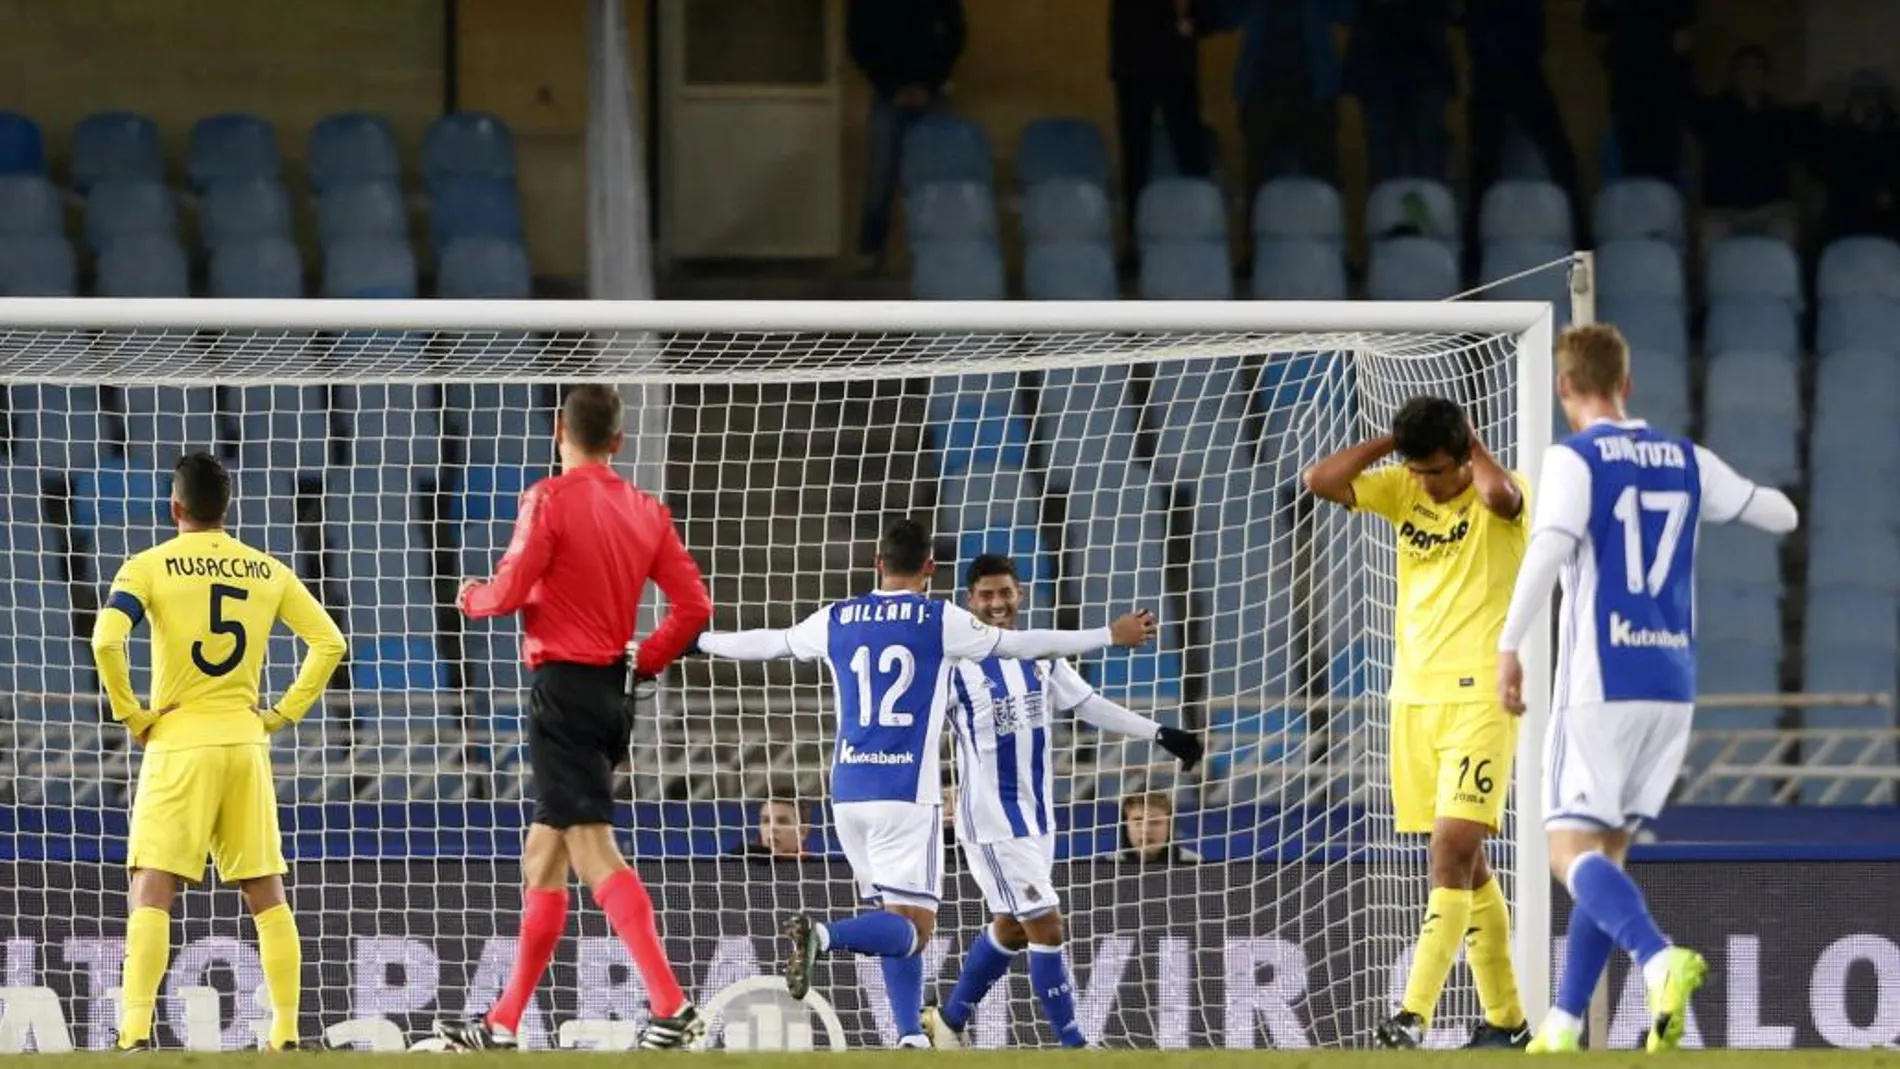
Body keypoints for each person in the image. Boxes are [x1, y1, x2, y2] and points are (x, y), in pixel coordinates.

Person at [695, 518, 1157, 1049]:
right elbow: (1023, 642)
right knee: (913, 928)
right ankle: (824, 935)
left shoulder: (838, 616)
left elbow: (769, 642)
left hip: (846, 791)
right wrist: (1107, 635)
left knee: (895, 915)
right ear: (930, 570)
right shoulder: (938, 618)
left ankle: (911, 1034)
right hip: (905, 793)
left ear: (878, 565)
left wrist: (701, 640)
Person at [1496, 325, 1799, 1053]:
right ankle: (1565, 1023)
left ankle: (1659, 958)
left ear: (1565, 387)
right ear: (1627, 384)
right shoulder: (1686, 459)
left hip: (1601, 681)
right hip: (1671, 683)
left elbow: (1550, 547)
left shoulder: (1574, 458)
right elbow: (1780, 513)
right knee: (1608, 856)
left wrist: (1509, 645)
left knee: (1568, 855)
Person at [435, 384, 714, 1052]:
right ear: (618, 441)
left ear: (559, 430)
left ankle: (672, 1004)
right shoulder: (648, 510)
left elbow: (508, 585)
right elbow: (694, 608)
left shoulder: (549, 498)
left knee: (590, 845)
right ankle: (502, 1022)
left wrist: (471, 597)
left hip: (561, 688)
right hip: (613, 693)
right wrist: (642, 661)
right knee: (543, 855)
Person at [91, 452, 348, 1051]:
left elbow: (107, 640)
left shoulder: (147, 567)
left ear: (175, 507)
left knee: (152, 885)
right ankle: (283, 1034)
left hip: (177, 745)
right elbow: (329, 641)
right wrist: (283, 713)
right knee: (266, 891)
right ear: (225, 509)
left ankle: (133, 1035)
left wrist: (133, 714)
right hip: (245, 743)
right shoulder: (266, 569)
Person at [1301, 397, 1531, 1049]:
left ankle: (1412, 1013)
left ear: (1463, 452)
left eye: (1437, 470)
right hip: (1414, 698)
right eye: (1419, 470)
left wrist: (1472, 446)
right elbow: (1319, 480)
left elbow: (1503, 497)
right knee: (1469, 861)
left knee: (1450, 848)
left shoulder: (1499, 493)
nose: (1427, 483)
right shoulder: (1404, 487)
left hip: (1480, 700)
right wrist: (1393, 444)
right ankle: (1507, 1022)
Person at [924, 554, 1204, 1049]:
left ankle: (948, 1022)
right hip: (990, 821)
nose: (996, 604)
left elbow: (1088, 704)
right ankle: (1076, 1046)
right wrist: (929, 792)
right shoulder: (953, 667)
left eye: (1005, 592)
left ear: (1020, 594)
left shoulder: (1042, 654)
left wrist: (1160, 732)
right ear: (970, 601)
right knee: (1046, 925)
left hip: (1037, 817)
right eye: (986, 595)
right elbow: (921, 737)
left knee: (1011, 927)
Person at [847, 0, 966, 271]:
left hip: (929, 93)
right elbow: (858, 43)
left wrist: (930, 84)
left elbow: (955, 33)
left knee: (938, 179)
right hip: (890, 96)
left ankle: (938, 255)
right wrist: (892, 88)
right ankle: (870, 253)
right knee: (881, 177)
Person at [1461, 0, 1584, 262]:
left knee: (1486, 170)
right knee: (1488, 168)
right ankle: (1583, 242)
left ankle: (1472, 254)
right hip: (1510, 75)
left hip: (1499, 76)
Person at [1205, 0, 1351, 193]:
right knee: (1261, 185)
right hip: (1266, 92)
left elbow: (1347, 11)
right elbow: (1225, 17)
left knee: (1322, 182)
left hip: (1309, 92)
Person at [1689, 45, 1805, 256]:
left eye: (1757, 69)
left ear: (1765, 75)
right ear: (1733, 74)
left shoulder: (1780, 116)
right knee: (1710, 240)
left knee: (1785, 236)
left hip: (1770, 208)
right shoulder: (1713, 111)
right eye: (1744, 68)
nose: (1751, 75)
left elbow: (1798, 151)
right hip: (1724, 210)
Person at [1110, 0, 1208, 238]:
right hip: (1137, 62)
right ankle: (1136, 241)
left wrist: (1191, 18)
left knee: (1189, 156)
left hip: (1170, 65)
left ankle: (1201, 232)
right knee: (1137, 161)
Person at [1343, 0, 1455, 183]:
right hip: (1384, 69)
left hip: (1419, 69)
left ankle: (1428, 207)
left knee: (1423, 158)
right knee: (1390, 159)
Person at [1585, 0, 1695, 182]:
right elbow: (1593, 24)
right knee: (1632, 164)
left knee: (1665, 165)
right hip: (1628, 89)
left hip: (1664, 91)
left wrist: (1682, 90)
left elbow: (1684, 39)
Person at [1811, 70, 1900, 243]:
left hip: (1887, 212)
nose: (1868, 101)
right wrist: (1852, 131)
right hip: (1846, 210)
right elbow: (1824, 171)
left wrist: (1893, 195)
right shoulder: (1837, 131)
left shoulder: (1894, 133)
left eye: (1873, 95)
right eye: (1862, 95)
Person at [1119, 790, 1201, 865]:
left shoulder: (1192, 862)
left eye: (1155, 822)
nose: (1146, 830)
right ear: (1125, 826)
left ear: (1169, 827)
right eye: (1137, 821)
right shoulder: (1109, 862)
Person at [734, 798, 811, 861]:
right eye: (766, 821)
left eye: (782, 822)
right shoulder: (737, 863)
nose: (772, 828)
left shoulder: (818, 870)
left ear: (803, 831)